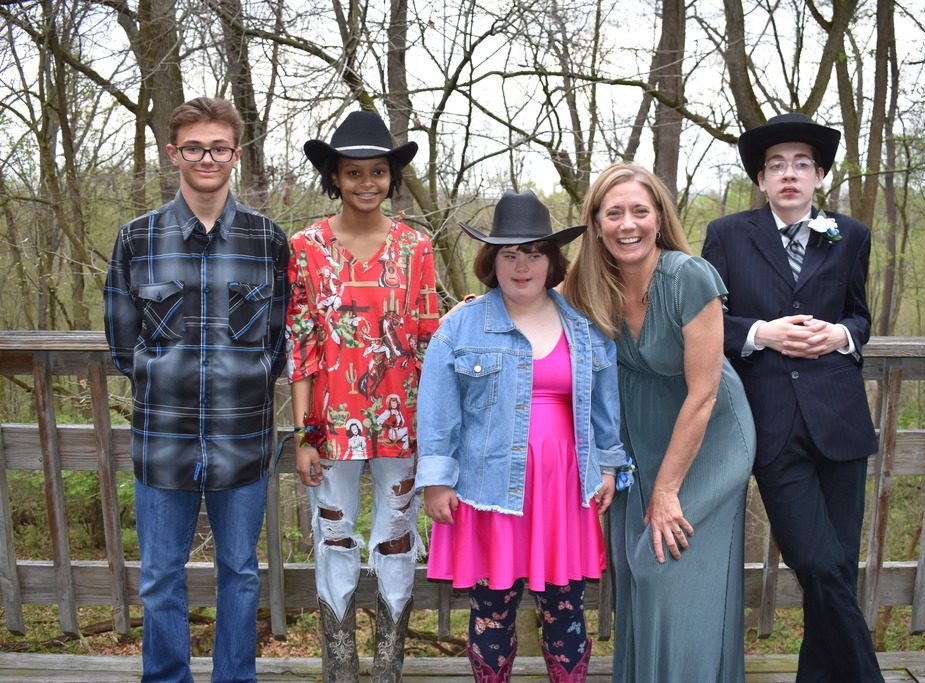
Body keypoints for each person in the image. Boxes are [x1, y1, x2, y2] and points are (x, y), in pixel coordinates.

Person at [103, 97, 289, 683]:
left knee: (241, 571)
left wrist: (242, 385)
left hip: (244, 437)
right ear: (173, 152)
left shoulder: (267, 240)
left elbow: (279, 340)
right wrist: (169, 382)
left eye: (218, 148)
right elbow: (122, 342)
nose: (206, 158)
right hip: (163, 437)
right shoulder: (137, 238)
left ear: (236, 154)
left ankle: (235, 678)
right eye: (194, 147)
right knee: (160, 575)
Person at [416, 190, 627, 683]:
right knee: (492, 611)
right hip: (488, 493)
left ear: (552, 261)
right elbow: (438, 413)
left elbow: (604, 408)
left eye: (534, 253)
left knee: (566, 612)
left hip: (564, 493)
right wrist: (437, 481)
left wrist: (608, 468)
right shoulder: (459, 328)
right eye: (510, 254)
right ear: (492, 261)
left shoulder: (585, 328)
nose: (522, 266)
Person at [701, 112, 883, 682]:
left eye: (802, 164)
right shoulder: (728, 235)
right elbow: (708, 324)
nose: (789, 174)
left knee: (838, 568)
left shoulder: (850, 235)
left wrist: (841, 335)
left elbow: (860, 315)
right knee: (817, 562)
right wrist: (762, 333)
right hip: (771, 424)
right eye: (776, 165)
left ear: (819, 176)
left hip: (841, 421)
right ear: (761, 179)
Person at [562, 163, 755, 681]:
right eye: (614, 213)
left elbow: (704, 392)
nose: (628, 224)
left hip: (707, 435)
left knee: (662, 567)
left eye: (639, 211)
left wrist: (667, 489)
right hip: (636, 438)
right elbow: (529, 301)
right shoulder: (588, 281)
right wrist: (471, 311)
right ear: (596, 224)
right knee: (634, 571)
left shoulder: (689, 277)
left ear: (659, 218)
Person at [287, 110, 439, 683]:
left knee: (397, 539)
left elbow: (428, 341)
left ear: (391, 177)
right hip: (330, 427)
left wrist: (435, 432)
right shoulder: (305, 248)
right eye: (354, 172)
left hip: (404, 425)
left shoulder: (415, 247)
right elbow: (301, 346)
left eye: (378, 171)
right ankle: (341, 669)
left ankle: (389, 669)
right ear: (335, 176)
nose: (367, 182)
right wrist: (303, 436)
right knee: (334, 538)